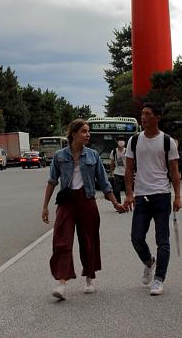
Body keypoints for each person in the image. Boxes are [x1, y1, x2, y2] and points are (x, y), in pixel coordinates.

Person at [42, 118, 125, 300]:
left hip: (87, 201)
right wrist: (45, 207)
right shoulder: (59, 156)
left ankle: (89, 277)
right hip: (66, 203)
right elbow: (52, 181)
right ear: (74, 134)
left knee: (88, 240)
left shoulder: (93, 155)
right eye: (84, 132)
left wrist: (115, 203)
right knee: (62, 240)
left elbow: (103, 183)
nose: (88, 135)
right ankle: (62, 283)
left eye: (88, 132)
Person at [124, 102, 181, 296]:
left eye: (148, 114)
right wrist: (129, 193)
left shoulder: (167, 141)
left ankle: (159, 279)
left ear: (157, 117)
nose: (143, 117)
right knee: (136, 237)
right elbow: (129, 169)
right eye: (142, 114)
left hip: (162, 195)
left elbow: (174, 171)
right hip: (141, 195)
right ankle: (149, 262)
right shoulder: (134, 141)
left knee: (162, 239)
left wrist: (178, 197)